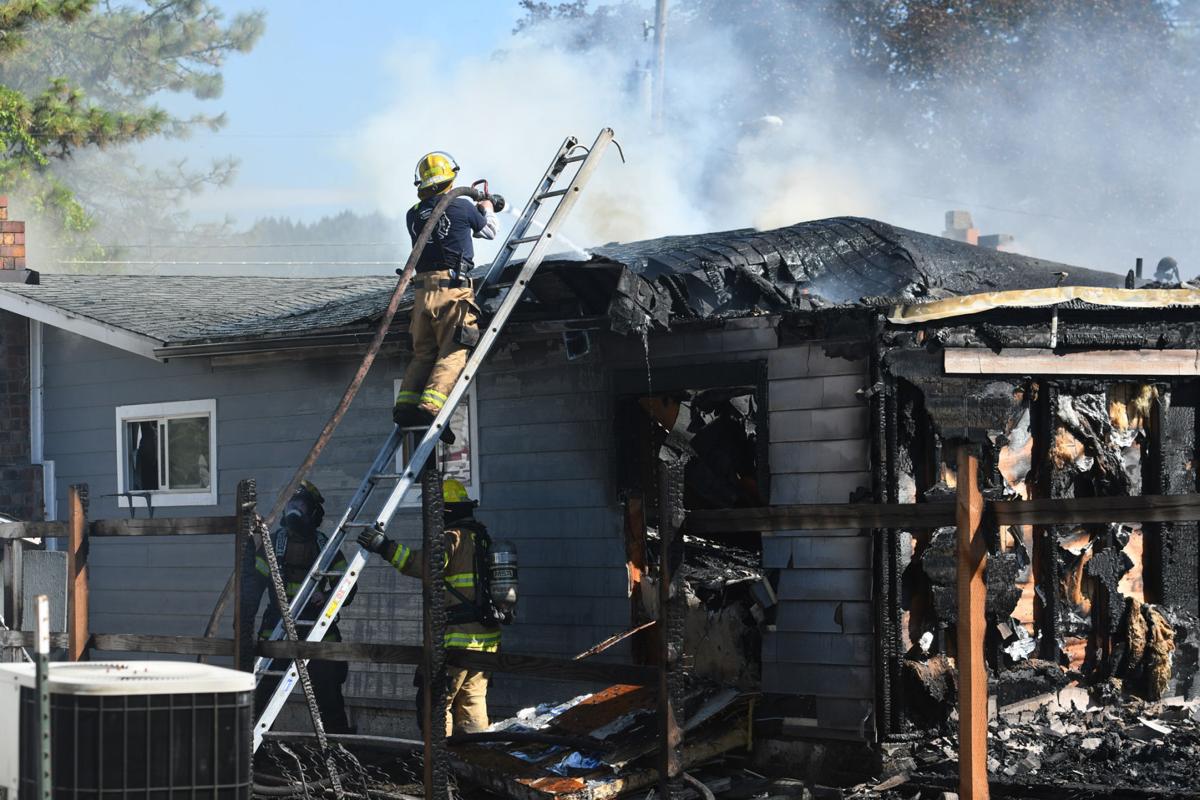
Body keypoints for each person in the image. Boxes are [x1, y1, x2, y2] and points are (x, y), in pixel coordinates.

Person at [357, 478, 500, 736]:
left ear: (442, 511)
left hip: (457, 637)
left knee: (436, 702)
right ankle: (475, 762)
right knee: (473, 700)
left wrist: (384, 547)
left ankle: (440, 767)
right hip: (487, 639)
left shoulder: (451, 537)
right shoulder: (482, 537)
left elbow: (423, 566)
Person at [394, 151, 498, 434]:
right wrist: (486, 207)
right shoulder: (463, 206)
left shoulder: (412, 215)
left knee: (424, 353)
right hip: (452, 291)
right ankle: (431, 408)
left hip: (421, 294)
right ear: (450, 179)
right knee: (454, 350)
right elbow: (488, 232)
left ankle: (405, 406)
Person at [248, 481, 355, 733]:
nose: (294, 510)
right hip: (277, 631)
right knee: (264, 694)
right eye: (291, 504)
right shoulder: (274, 544)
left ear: (314, 513)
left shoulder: (324, 547)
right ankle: (253, 751)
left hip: (318, 633)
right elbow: (253, 586)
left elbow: (347, 589)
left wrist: (327, 596)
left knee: (329, 695)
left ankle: (338, 751)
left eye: (301, 505)